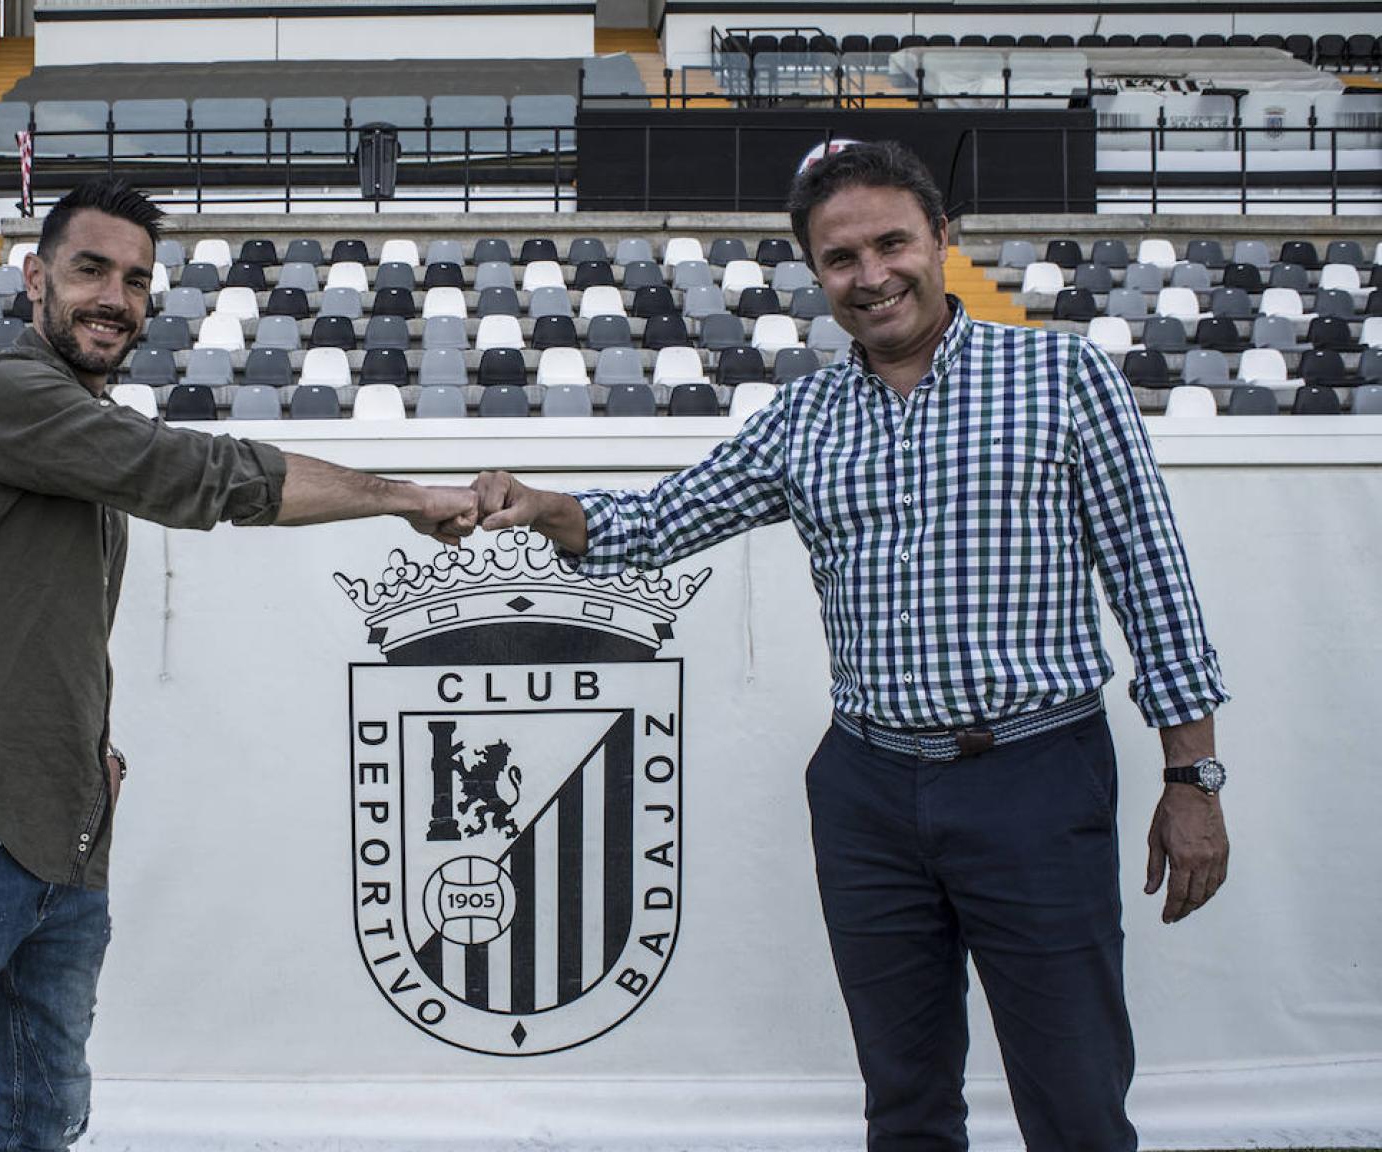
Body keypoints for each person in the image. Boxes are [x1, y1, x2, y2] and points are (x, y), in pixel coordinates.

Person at [472, 142, 1230, 1150]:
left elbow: (1151, 578)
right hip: (867, 789)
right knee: (904, 1100)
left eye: (891, 243)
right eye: (840, 258)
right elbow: (657, 524)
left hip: (1037, 779)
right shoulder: (805, 415)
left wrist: (1194, 776)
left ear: (941, 241)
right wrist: (541, 506)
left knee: (1077, 1094)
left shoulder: (1059, 375)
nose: (870, 275)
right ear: (814, 272)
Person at [0, 178, 476, 1150]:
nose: (115, 297)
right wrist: (402, 496)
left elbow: (38, 618)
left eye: (136, 280)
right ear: (34, 277)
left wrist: (89, 746)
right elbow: (195, 475)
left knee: (47, 1114)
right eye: (90, 269)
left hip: (65, 823)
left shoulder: (70, 434)